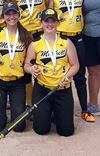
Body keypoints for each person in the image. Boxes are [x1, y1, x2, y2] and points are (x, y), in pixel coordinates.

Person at [49, 0, 95, 123]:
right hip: (61, 38)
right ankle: (55, 109)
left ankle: (84, 110)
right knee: (57, 73)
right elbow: (50, 17)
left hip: (78, 38)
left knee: (80, 76)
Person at [24, 8, 79, 136]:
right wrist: (32, 69)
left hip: (62, 90)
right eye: (46, 21)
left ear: (57, 23)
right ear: (41, 23)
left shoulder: (66, 42)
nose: (49, 24)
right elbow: (27, 64)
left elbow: (75, 65)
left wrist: (67, 77)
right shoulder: (35, 44)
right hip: (42, 90)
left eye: (52, 21)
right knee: (41, 130)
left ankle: (56, 113)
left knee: (66, 132)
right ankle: (48, 112)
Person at [0, 2, 33, 132]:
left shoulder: (26, 35)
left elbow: (28, 62)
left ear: (19, 15)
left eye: (14, 13)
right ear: (3, 17)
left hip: (17, 82)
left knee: (19, 127)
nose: (11, 17)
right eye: (8, 14)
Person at [14, 0, 50, 107]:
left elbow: (48, 10)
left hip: (39, 34)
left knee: (42, 67)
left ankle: (44, 102)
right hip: (23, 35)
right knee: (26, 69)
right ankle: (28, 103)